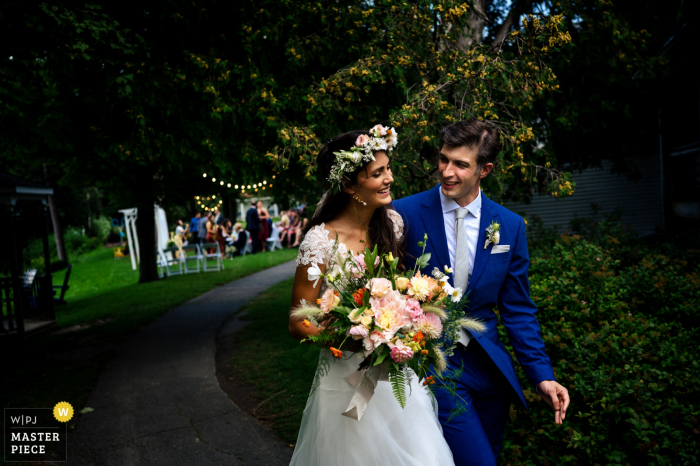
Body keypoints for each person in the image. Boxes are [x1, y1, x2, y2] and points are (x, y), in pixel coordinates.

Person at [393, 120, 570, 466]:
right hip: (437, 364)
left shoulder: (509, 226)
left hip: (490, 371)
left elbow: (518, 310)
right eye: (444, 159)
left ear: (484, 170)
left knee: (487, 456)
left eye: (460, 164)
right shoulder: (405, 213)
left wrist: (543, 375)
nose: (446, 171)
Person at [288, 126, 455, 466]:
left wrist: (408, 321)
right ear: (350, 185)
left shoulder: (392, 224)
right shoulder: (321, 240)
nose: (389, 178)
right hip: (346, 379)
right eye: (377, 173)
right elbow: (299, 321)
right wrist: (352, 338)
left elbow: (399, 289)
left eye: (388, 168)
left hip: (395, 374)